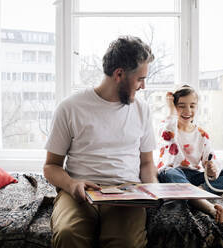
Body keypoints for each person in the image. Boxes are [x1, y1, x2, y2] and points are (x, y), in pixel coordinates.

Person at [43, 36, 158, 248]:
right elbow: (51, 166)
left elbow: (147, 163)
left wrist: (152, 190)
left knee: (127, 242)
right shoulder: (70, 107)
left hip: (126, 192)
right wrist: (71, 184)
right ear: (119, 74)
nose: (143, 86)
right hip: (80, 191)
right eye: (140, 79)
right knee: (68, 234)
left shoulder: (142, 110)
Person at [157, 85, 223, 223]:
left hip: (193, 177)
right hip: (174, 174)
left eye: (192, 106)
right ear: (174, 108)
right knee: (169, 173)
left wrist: (212, 170)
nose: (188, 111)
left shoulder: (202, 134)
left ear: (197, 107)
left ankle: (194, 193)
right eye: (181, 106)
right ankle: (211, 209)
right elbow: (168, 128)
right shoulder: (168, 127)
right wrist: (170, 109)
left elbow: (210, 161)